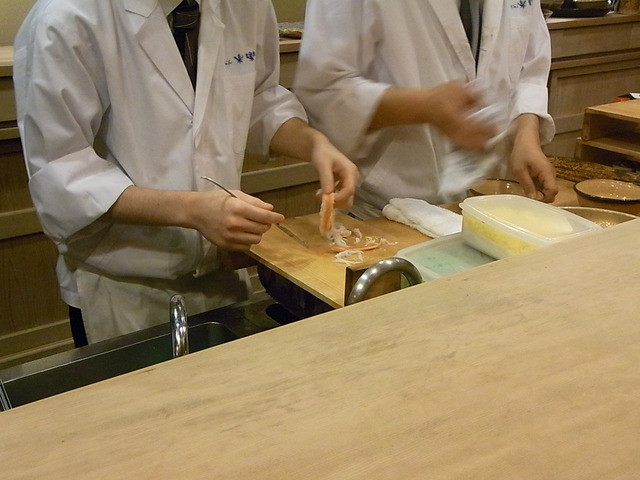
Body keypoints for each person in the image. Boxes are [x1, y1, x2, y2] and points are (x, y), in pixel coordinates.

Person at [13, 0, 359, 345]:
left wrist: (313, 144)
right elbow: (63, 173)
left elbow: (258, 98)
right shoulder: (66, 18)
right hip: (125, 290)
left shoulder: (244, 5)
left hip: (222, 277)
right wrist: (192, 210)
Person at [293, 0, 558, 218]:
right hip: (389, 209)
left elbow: (530, 63)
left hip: (491, 202)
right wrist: (424, 105)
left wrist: (526, 134)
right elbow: (323, 89)